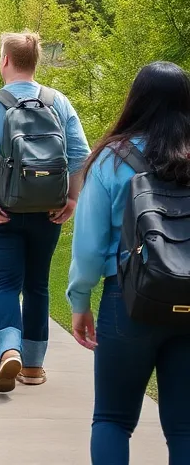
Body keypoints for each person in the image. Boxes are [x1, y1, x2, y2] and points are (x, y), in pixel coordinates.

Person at [67, 62, 190, 462]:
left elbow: (87, 249)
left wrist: (80, 302)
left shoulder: (111, 159)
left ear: (135, 100)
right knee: (185, 425)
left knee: (112, 419)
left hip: (128, 298)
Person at [0, 32, 90, 393]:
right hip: (47, 212)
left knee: (6, 283)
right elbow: (81, 155)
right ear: (35, 62)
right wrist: (70, 200)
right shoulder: (58, 101)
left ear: (5, 60)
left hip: (3, 209)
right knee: (37, 285)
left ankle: (8, 351)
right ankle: (34, 367)